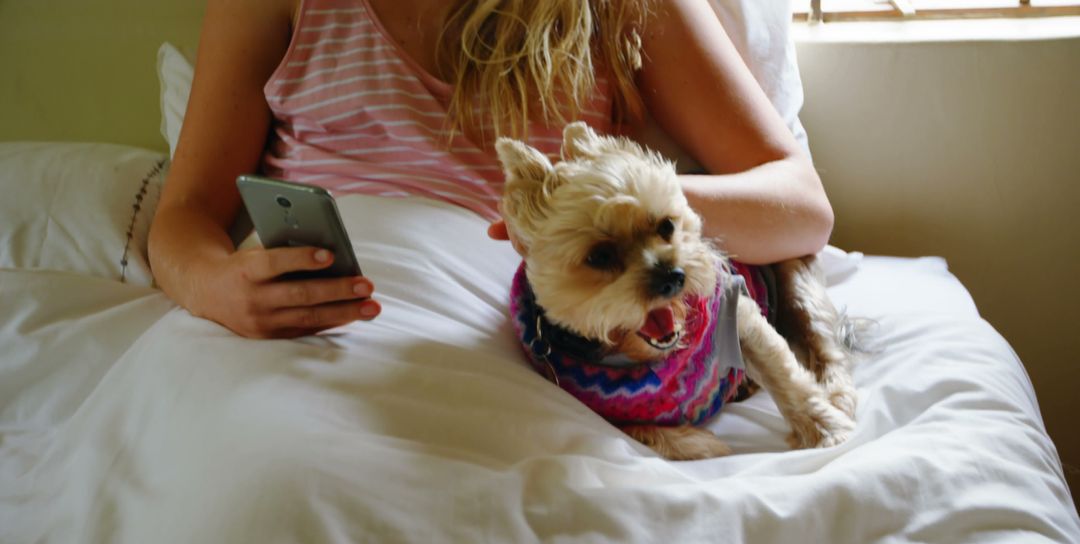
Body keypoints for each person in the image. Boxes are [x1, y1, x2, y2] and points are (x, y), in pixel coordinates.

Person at [147, 0, 832, 340]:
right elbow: (185, 216)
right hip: (294, 345)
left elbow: (800, 205)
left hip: (496, 348)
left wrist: (616, 206)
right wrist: (212, 285)